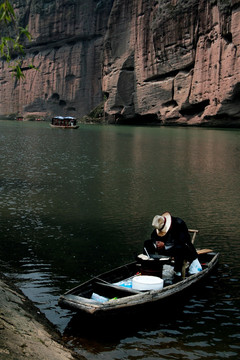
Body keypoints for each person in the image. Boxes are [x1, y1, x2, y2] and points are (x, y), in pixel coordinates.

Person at [143, 212, 202, 277]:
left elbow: (183, 241)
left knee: (179, 248)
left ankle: (177, 271)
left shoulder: (179, 223)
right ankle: (149, 265)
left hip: (182, 249)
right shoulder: (159, 224)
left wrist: (165, 245)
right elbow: (153, 236)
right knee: (147, 243)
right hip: (165, 249)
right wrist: (156, 243)